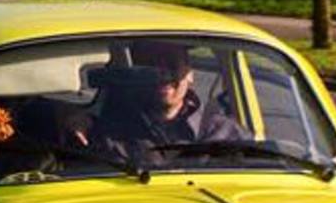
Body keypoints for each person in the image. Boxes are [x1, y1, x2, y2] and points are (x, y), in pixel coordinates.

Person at [93, 40, 247, 154]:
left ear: (190, 74)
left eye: (171, 65)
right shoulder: (110, 133)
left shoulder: (228, 135)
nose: (163, 75)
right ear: (136, 75)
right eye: (151, 67)